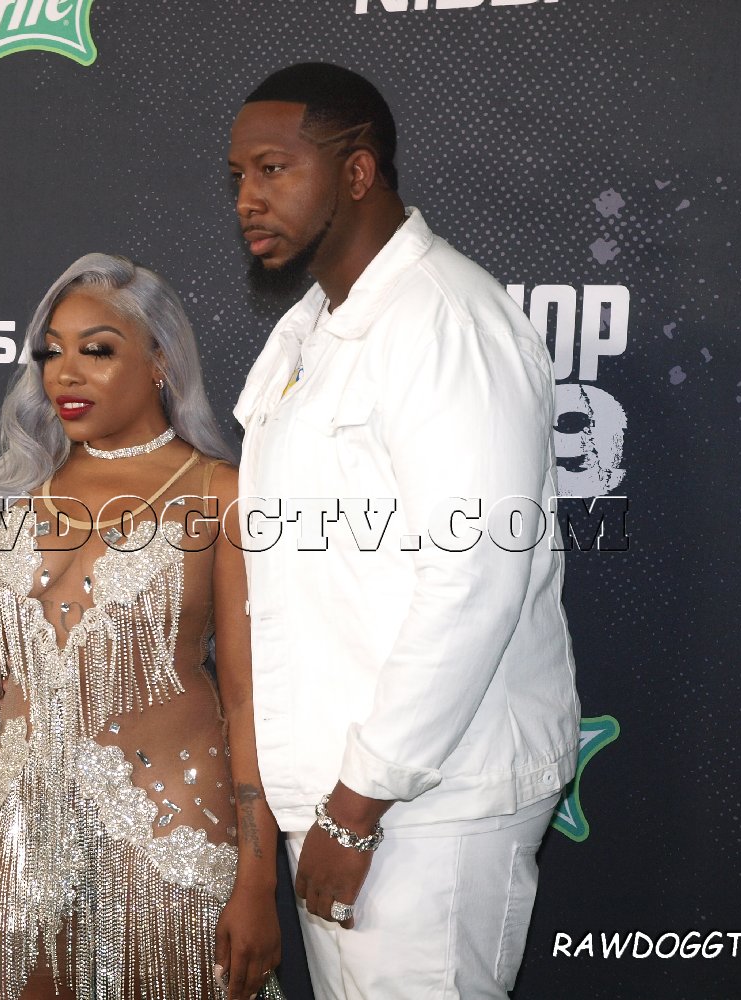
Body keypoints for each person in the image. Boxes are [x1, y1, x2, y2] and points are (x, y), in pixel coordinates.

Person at [226, 63, 581, 998]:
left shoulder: (444, 321)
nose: (248, 198)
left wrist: (356, 808)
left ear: (356, 172)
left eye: (272, 169)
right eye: (238, 177)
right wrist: (330, 806)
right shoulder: (312, 326)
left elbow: (473, 581)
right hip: (346, 794)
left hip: (423, 805)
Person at [0, 254, 283, 1000]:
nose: (64, 374)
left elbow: (248, 701)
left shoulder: (221, 495)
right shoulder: (17, 493)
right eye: (51, 352)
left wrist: (257, 880)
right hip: (12, 841)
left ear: (160, 361)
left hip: (166, 841)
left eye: (96, 350)